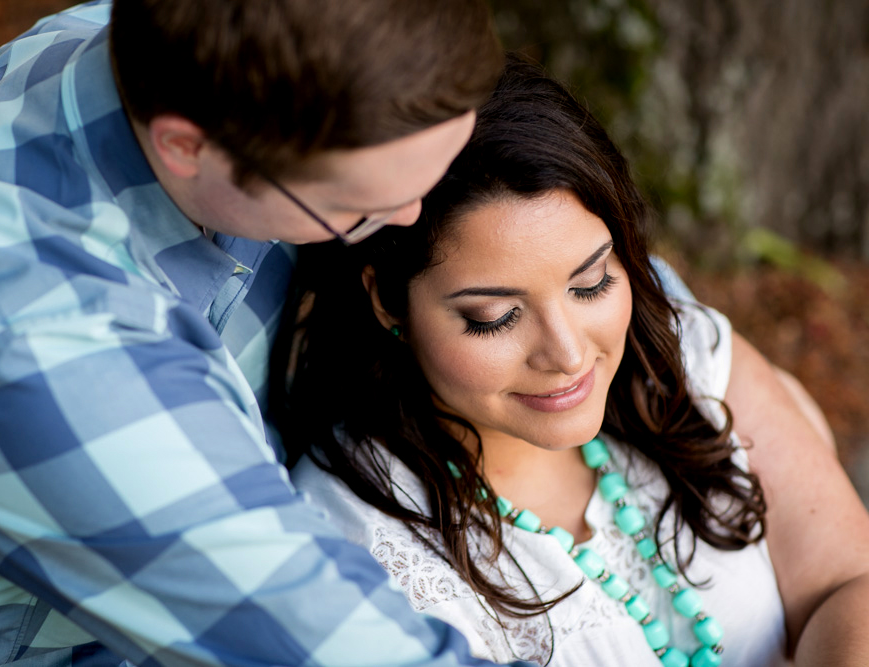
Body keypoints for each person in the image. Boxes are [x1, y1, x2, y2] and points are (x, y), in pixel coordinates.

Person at [0, 1, 515, 665]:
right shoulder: (57, 360)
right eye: (356, 207)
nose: (409, 215)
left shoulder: (125, 40)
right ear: (185, 146)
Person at [280, 54, 869, 666]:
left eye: (591, 283)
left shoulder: (682, 357)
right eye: (495, 317)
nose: (567, 354)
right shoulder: (358, 545)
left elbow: (847, 581)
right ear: (386, 300)